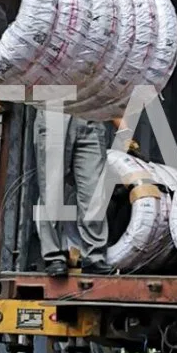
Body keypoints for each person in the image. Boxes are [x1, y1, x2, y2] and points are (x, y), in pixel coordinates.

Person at [33, 108, 112, 276]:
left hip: (91, 116)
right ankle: (54, 256)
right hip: (56, 110)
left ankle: (94, 256)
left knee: (94, 192)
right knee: (52, 188)